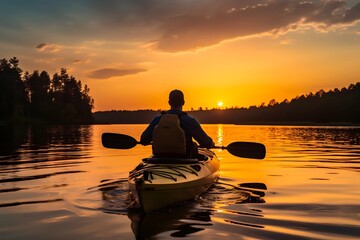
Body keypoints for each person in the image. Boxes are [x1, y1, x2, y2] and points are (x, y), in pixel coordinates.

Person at [140, 89, 214, 158]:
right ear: (183, 102)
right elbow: (206, 143)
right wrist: (211, 144)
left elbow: (143, 140)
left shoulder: (157, 120)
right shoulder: (190, 121)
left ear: (169, 102)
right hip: (184, 159)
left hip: (159, 158)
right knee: (193, 145)